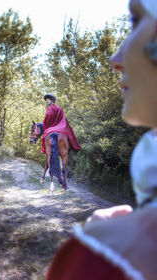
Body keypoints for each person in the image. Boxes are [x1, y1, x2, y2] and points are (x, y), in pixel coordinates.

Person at [46, 0, 157, 279]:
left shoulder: (99, 259)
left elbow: (55, 122)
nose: (115, 60)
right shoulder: (51, 109)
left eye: (135, 21)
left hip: (56, 130)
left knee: (51, 141)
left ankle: (57, 176)